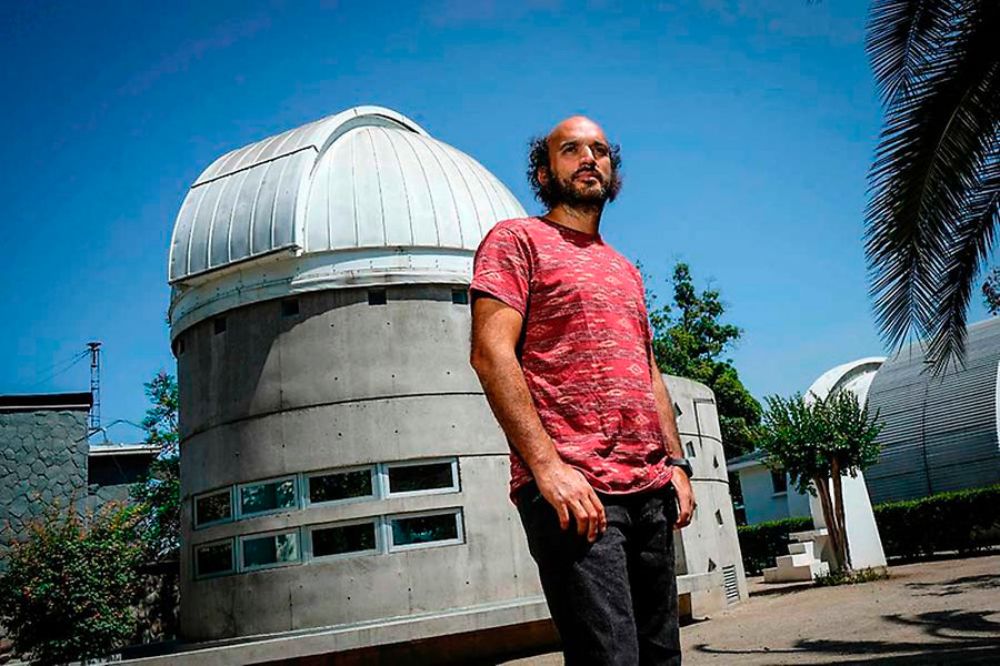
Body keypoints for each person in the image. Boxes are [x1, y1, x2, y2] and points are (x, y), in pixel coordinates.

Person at [469, 116, 695, 665]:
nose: (589, 158)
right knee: (608, 658)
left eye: (599, 150)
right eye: (571, 150)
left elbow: (648, 370)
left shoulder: (624, 269)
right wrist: (547, 469)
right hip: (575, 490)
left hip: (648, 488)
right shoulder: (517, 240)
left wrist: (676, 462)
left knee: (662, 656)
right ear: (544, 172)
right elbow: (490, 353)